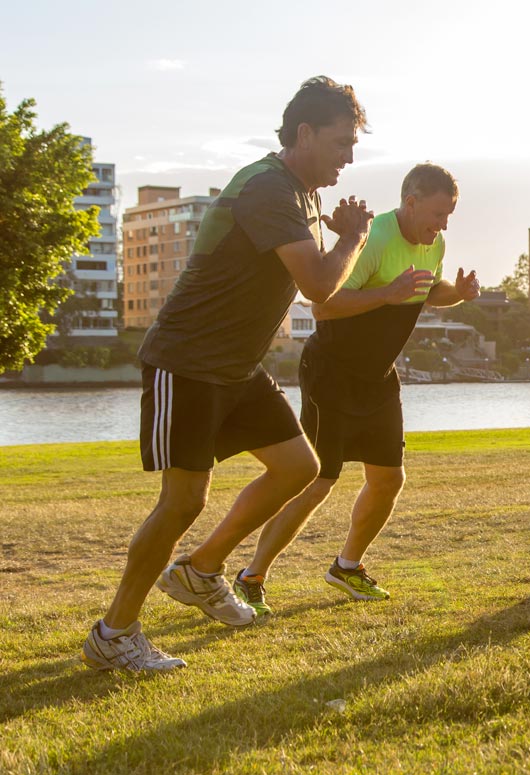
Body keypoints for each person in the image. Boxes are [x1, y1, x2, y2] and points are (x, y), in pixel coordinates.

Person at [81, 77, 372, 672]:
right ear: (305, 133)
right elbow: (319, 285)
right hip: (186, 361)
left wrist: (340, 242)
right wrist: (355, 238)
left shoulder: (300, 196)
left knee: (299, 467)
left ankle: (200, 570)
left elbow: (318, 292)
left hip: (236, 368)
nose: (349, 157)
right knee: (182, 501)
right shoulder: (268, 190)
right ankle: (114, 634)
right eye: (342, 143)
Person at [228, 163, 479, 615]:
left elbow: (425, 290)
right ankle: (251, 576)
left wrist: (455, 292)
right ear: (411, 202)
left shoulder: (433, 242)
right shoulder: (374, 239)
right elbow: (323, 307)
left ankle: (347, 566)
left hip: (378, 377)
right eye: (438, 214)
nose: (443, 226)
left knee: (388, 478)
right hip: (332, 373)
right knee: (316, 480)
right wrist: (386, 293)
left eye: (450, 217)